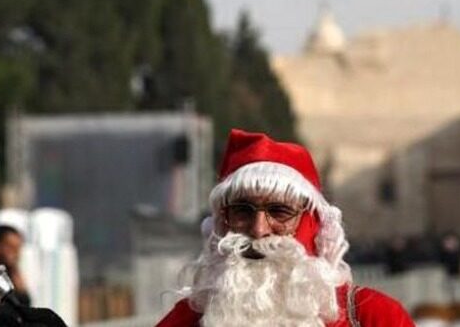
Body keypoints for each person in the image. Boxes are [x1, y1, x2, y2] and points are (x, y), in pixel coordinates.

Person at [157, 130, 413, 327]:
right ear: (223, 223)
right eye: (242, 211)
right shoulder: (185, 322)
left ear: (311, 223)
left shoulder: (373, 318)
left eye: (279, 211)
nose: (258, 230)